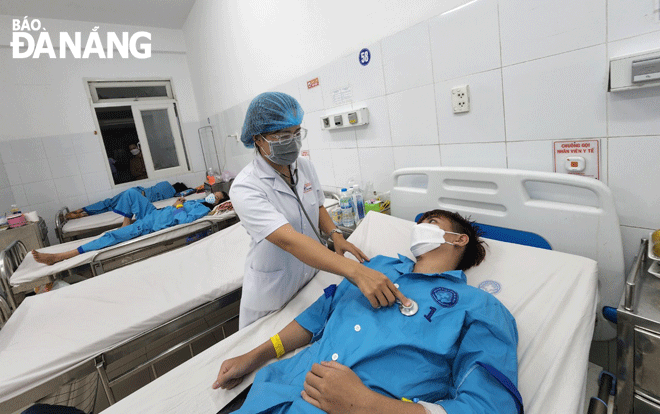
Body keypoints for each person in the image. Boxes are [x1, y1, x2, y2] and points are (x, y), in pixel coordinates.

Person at [212, 209, 520, 414]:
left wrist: (367, 404)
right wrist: (253, 357)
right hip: (273, 394)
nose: (419, 227)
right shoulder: (373, 268)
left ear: (458, 239)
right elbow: (316, 317)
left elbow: (489, 406)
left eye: (432, 222)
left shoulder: (479, 306)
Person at [230, 92, 410, 328]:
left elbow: (318, 205)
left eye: (296, 133)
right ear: (258, 138)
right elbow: (288, 241)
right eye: (283, 135)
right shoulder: (246, 186)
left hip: (310, 281)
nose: (292, 141)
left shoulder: (303, 167)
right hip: (274, 293)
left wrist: (335, 235)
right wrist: (356, 271)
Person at [34, 189, 228, 265]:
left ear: (218, 203)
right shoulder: (200, 200)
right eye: (214, 193)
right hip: (154, 213)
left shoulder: (203, 210)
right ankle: (124, 223)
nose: (213, 195)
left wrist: (178, 205)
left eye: (217, 197)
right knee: (130, 194)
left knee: (110, 236)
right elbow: (179, 208)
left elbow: (184, 219)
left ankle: (61, 256)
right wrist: (179, 201)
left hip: (151, 225)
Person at [64, 181, 181, 219]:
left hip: (135, 192)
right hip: (136, 198)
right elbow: (185, 193)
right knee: (111, 207)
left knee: (109, 203)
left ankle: (82, 210)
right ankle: (84, 214)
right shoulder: (172, 193)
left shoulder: (165, 183)